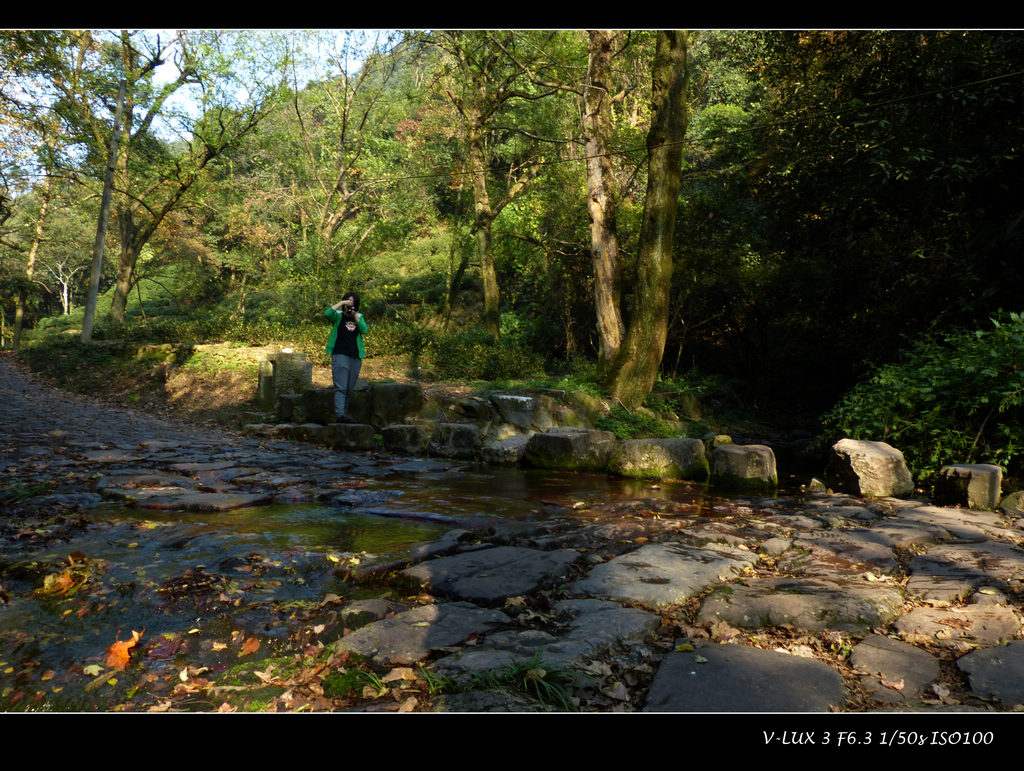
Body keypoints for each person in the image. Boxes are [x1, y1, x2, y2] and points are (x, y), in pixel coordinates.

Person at [324, 292, 368, 423]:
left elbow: (364, 330)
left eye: (353, 303)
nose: (350, 304)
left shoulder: (359, 317)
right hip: (340, 354)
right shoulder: (337, 316)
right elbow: (327, 314)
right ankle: (340, 415)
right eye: (348, 301)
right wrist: (342, 303)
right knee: (341, 387)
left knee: (349, 388)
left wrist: (355, 317)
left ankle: (344, 415)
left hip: (355, 356)